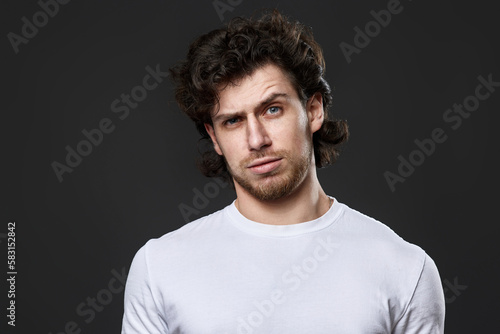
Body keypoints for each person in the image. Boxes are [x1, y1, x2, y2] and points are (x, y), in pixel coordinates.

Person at [121, 9, 445, 334]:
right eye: (232, 121)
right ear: (214, 136)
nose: (256, 139)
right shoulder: (159, 268)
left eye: (272, 109)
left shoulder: (404, 269)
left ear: (313, 110)